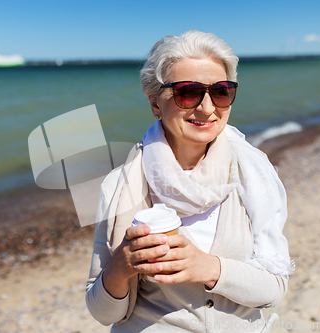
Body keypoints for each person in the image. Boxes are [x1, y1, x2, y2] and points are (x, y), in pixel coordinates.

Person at [85, 30, 294, 332]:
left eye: (221, 91)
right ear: (155, 103)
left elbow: (274, 289)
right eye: (188, 92)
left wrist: (207, 267)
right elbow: (104, 314)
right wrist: (120, 266)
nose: (208, 108)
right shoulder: (120, 184)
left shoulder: (254, 173)